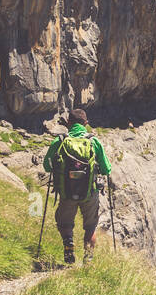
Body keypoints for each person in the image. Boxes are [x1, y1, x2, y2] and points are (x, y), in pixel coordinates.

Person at [43, 108, 112, 264]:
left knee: (65, 222)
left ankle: (68, 247)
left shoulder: (60, 141)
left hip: (67, 191)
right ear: (86, 123)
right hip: (90, 192)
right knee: (90, 226)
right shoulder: (93, 141)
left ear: (68, 123)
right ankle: (88, 259)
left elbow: (47, 166)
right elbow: (107, 169)